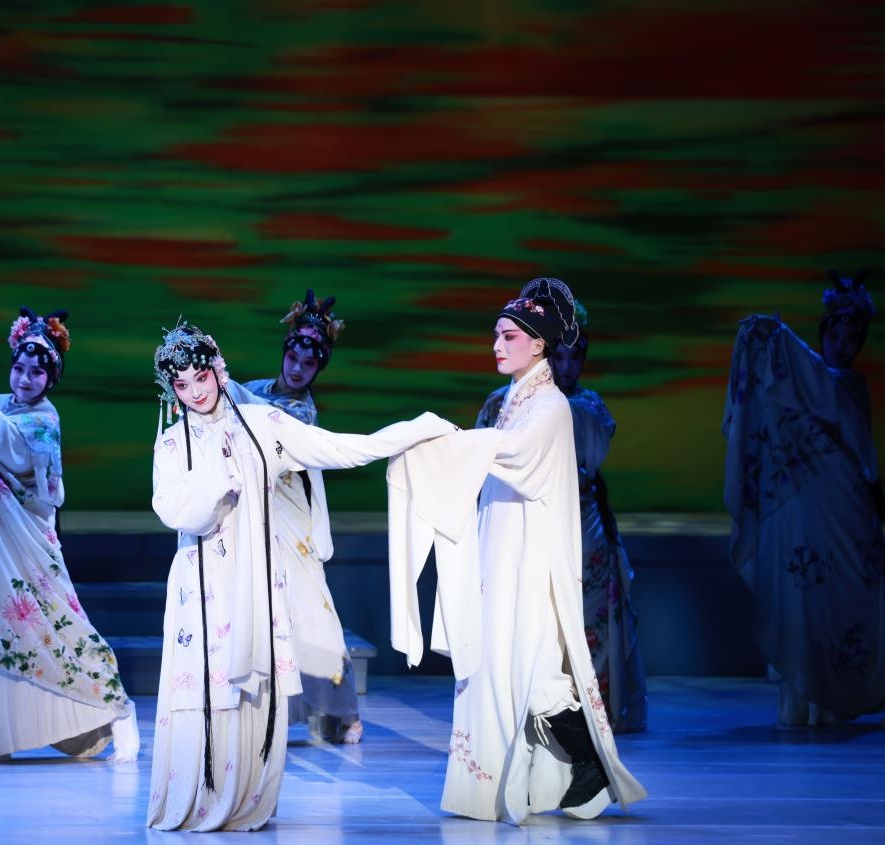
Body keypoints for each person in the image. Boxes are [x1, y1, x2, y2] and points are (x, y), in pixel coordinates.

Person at [147, 322, 454, 831]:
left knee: (251, 687)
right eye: (182, 385)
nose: (196, 392)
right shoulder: (173, 441)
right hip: (200, 584)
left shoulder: (263, 423)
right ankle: (197, 795)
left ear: (219, 370)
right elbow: (175, 510)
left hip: (255, 576)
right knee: (201, 686)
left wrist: (418, 428)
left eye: (201, 377)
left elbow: (342, 449)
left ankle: (245, 797)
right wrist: (219, 478)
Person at [386, 278, 646, 824]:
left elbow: (513, 454)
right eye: (496, 336)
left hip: (529, 560)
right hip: (502, 550)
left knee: (534, 667)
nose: (497, 346)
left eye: (509, 337)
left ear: (539, 344)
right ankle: (564, 772)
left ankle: (586, 765)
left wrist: (443, 440)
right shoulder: (514, 397)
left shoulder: (550, 405)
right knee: (508, 667)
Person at [0, 307, 139, 765]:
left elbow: (11, 447)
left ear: (51, 379)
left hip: (24, 543)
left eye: (37, 372)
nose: (25, 378)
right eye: (19, 368)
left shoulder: (43, 420)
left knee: (58, 631)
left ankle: (119, 713)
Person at [476, 301, 647, 733]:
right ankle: (528, 712)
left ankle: (590, 711)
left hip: (583, 523)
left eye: (576, 358)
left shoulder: (585, 407)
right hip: (524, 516)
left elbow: (589, 460)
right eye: (562, 357)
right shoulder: (505, 400)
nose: (568, 367)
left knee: (590, 619)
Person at [723, 270, 885, 726]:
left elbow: (863, 456)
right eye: (837, 333)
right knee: (802, 599)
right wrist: (770, 336)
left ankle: (830, 704)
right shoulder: (806, 383)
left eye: (853, 337)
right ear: (824, 332)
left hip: (845, 512)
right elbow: (801, 374)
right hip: (806, 512)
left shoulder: (845, 385)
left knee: (840, 604)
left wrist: (777, 337)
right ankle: (802, 705)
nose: (843, 344)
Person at [242, 290, 364, 744]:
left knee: (312, 610)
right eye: (293, 358)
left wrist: (224, 389)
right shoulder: (254, 391)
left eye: (308, 365)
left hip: (289, 517)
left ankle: (342, 712)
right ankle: (265, 709)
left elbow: (261, 423)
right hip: (253, 514)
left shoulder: (299, 410)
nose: (297, 369)